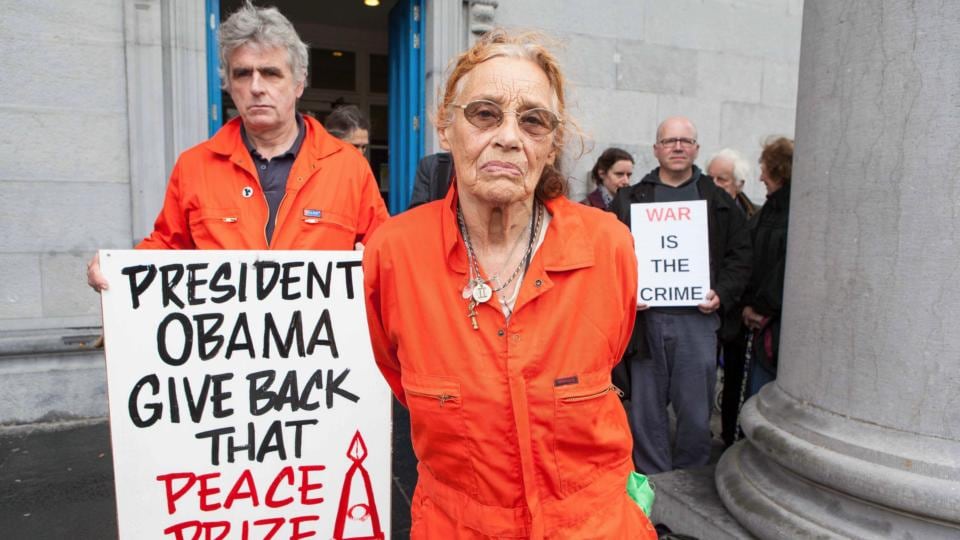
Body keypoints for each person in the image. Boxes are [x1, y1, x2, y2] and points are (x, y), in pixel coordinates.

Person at [363, 29, 657, 539]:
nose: (508, 136)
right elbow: (398, 375)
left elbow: (612, 348)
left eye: (533, 120)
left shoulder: (608, 245)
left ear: (552, 144)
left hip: (594, 524)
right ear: (445, 126)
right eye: (484, 114)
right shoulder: (394, 252)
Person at [87, 4, 388, 291]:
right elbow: (167, 247)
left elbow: (383, 252)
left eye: (271, 73)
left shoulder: (348, 166)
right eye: (243, 73)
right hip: (227, 344)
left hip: (314, 342)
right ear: (229, 85)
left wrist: (373, 263)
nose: (256, 87)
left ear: (299, 83)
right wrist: (118, 268)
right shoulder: (194, 166)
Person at [611, 116, 751, 474]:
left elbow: (741, 255)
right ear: (656, 149)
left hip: (698, 321)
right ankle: (654, 483)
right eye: (669, 140)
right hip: (646, 322)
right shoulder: (630, 199)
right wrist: (627, 290)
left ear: (696, 149)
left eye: (685, 141)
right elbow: (610, 254)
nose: (677, 147)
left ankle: (691, 480)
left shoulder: (717, 200)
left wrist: (722, 292)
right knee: (647, 411)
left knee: (694, 409)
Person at [706, 148, 757, 446]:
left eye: (722, 179)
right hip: (706, 310)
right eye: (710, 176)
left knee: (735, 379)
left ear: (738, 183)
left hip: (736, 314)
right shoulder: (700, 208)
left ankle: (729, 435)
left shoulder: (752, 215)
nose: (714, 184)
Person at [740, 137, 793, 400]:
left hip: (774, 322)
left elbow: (783, 272)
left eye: (764, 169)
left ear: (779, 171)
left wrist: (759, 307)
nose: (760, 177)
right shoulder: (768, 211)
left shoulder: (792, 213)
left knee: (762, 394)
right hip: (760, 317)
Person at [707, 148, 758, 218]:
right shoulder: (695, 212)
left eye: (721, 179)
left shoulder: (758, 216)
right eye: (710, 178)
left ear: (739, 184)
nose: (713, 184)